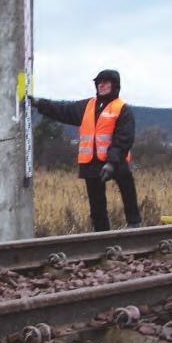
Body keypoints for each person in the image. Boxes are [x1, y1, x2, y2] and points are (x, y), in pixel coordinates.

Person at [31, 69, 142, 232]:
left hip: (115, 160)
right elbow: (63, 110)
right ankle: (101, 234)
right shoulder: (87, 106)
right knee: (96, 203)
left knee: (127, 186)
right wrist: (40, 103)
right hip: (90, 161)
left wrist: (111, 163)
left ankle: (134, 224)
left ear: (115, 86)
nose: (101, 85)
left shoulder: (122, 109)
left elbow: (123, 139)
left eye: (106, 82)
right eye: (99, 82)